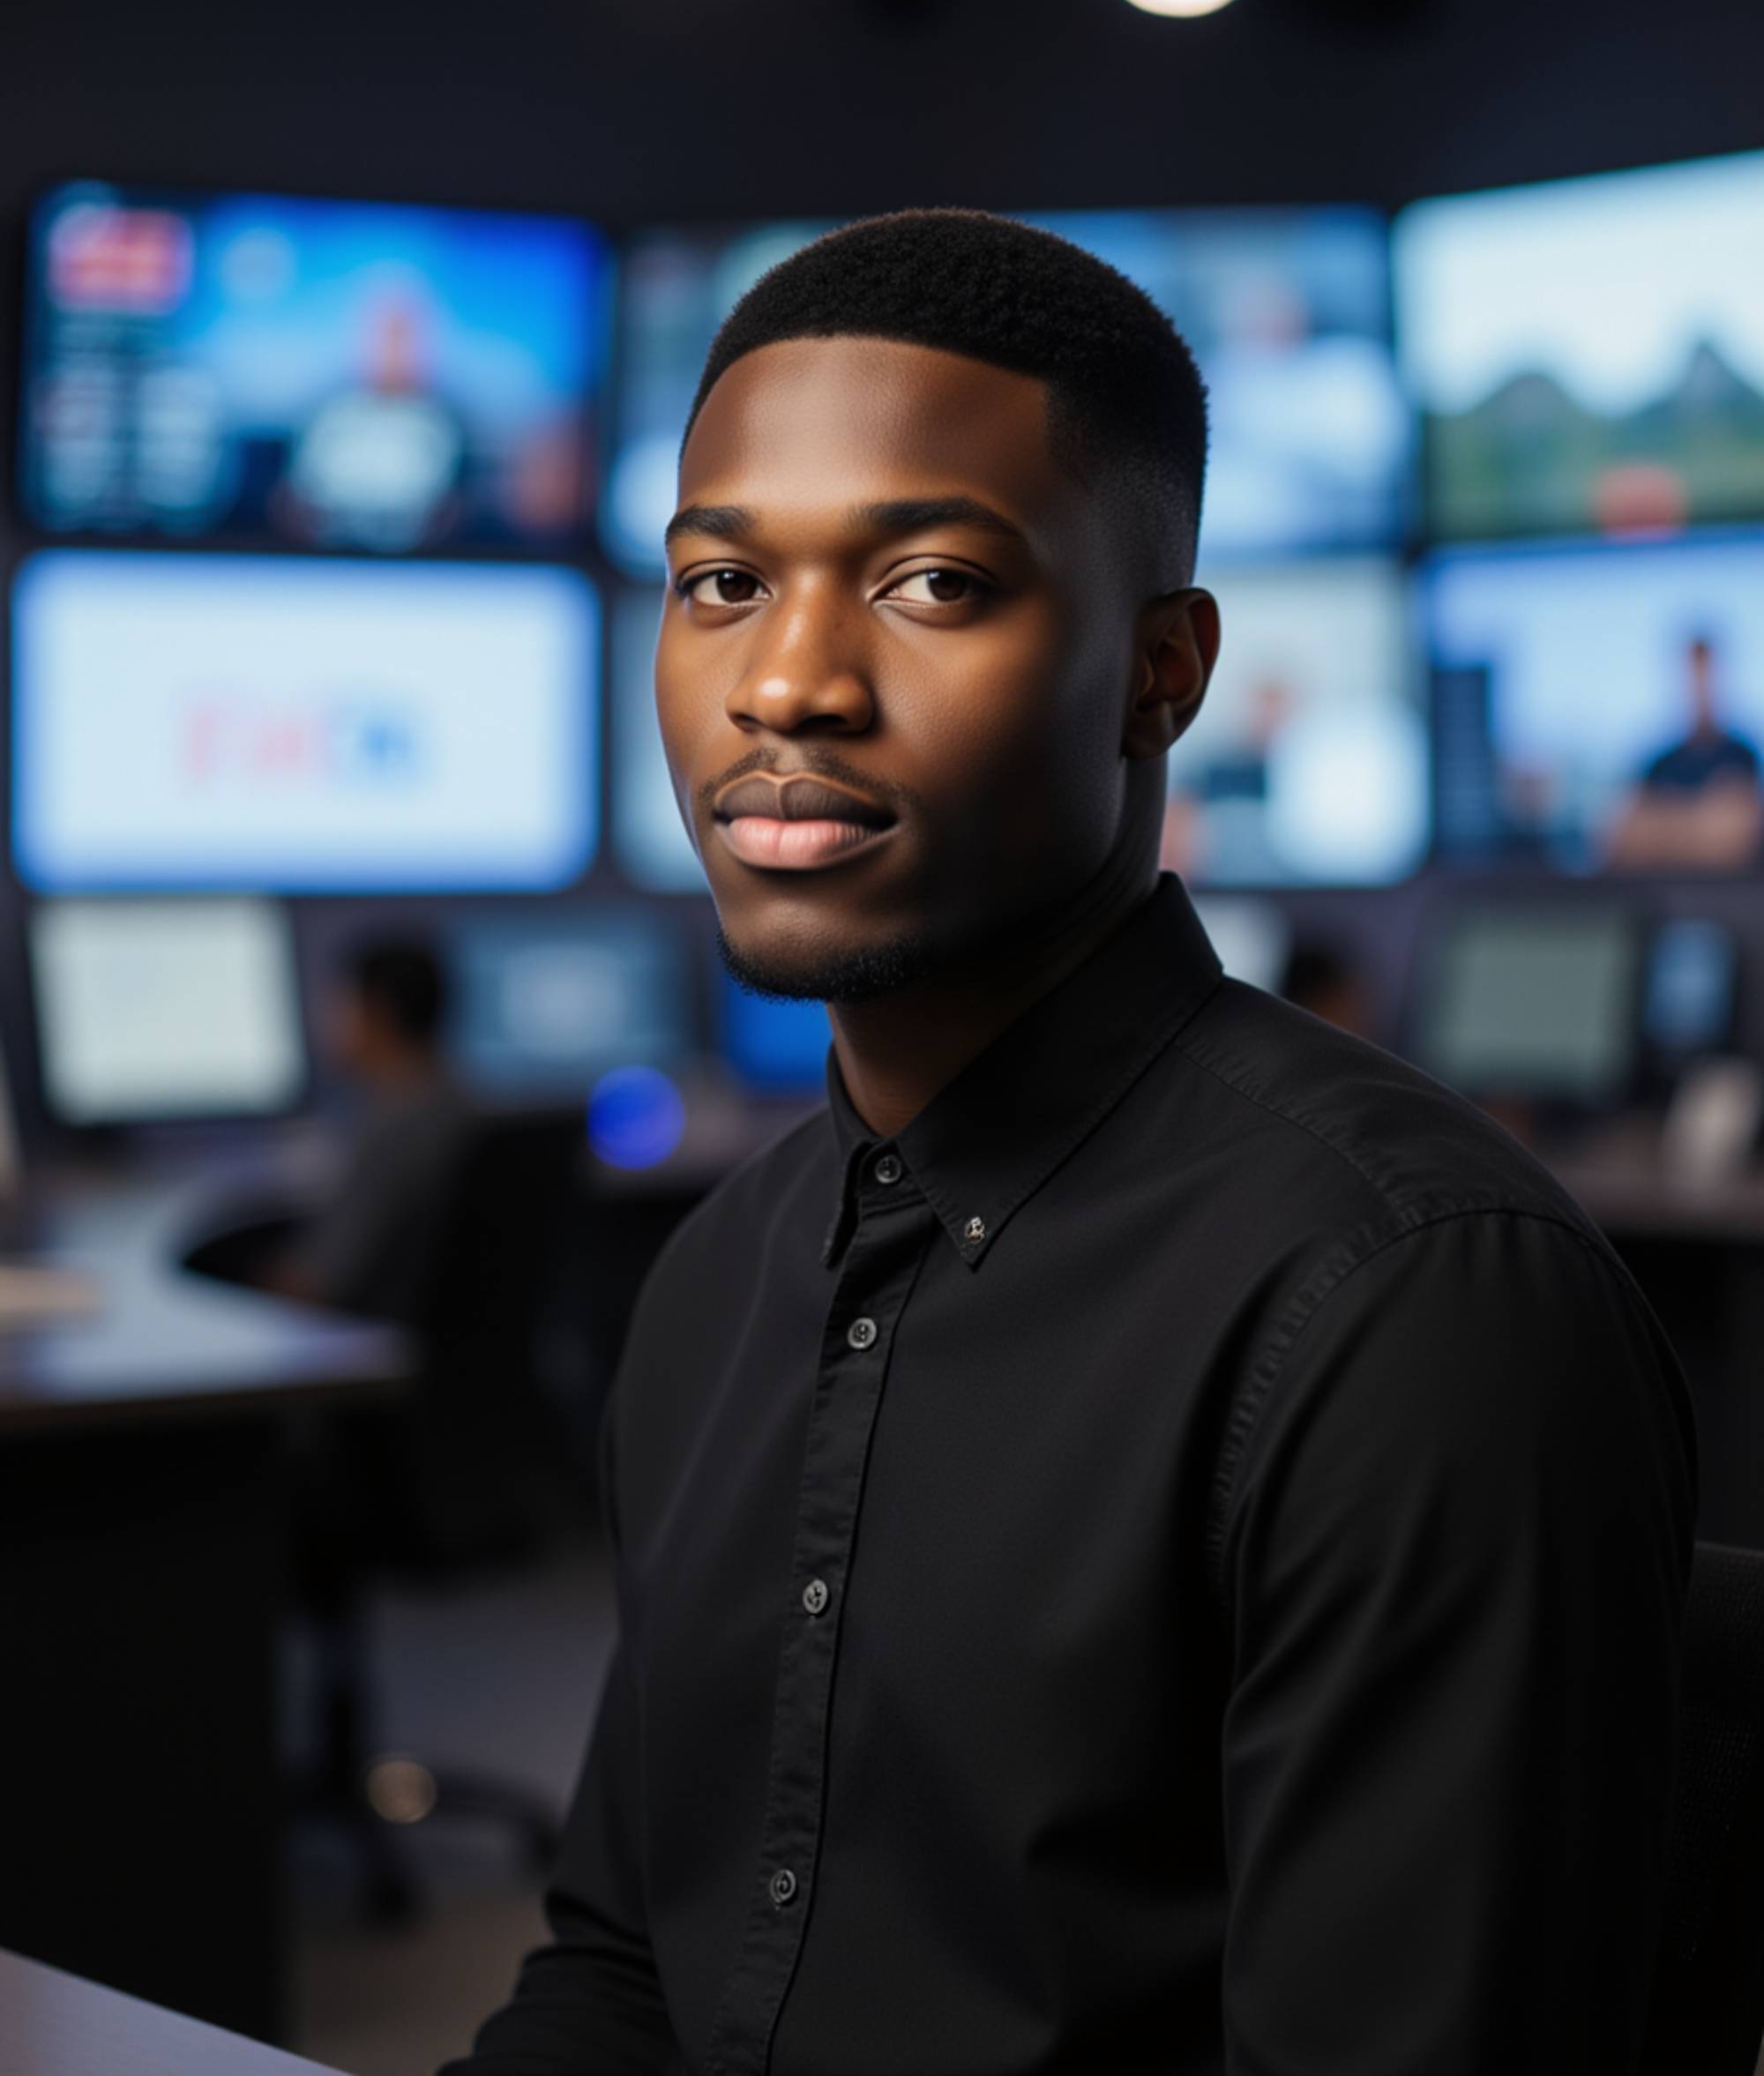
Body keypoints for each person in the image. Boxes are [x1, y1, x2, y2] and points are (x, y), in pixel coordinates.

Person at [444, 210, 1695, 2076]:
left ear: (1161, 671)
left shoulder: (1411, 1310)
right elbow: (630, 1969)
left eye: (932, 582)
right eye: (720, 584)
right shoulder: (720, 1275)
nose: (784, 685)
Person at [269, 934, 476, 1326]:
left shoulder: (392, 1132)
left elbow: (315, 1286)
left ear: (374, 1013)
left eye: (337, 1006)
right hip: (458, 1349)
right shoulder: (467, 1110)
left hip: (373, 1355)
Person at [1604, 631, 1764, 870]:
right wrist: (1706, 824)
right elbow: (1623, 840)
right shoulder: (1659, 763)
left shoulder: (1744, 756)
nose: (1699, 687)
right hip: (1665, 900)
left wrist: (1664, 823)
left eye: (1706, 675)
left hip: (1734, 902)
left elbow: (1738, 840)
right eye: (1693, 676)